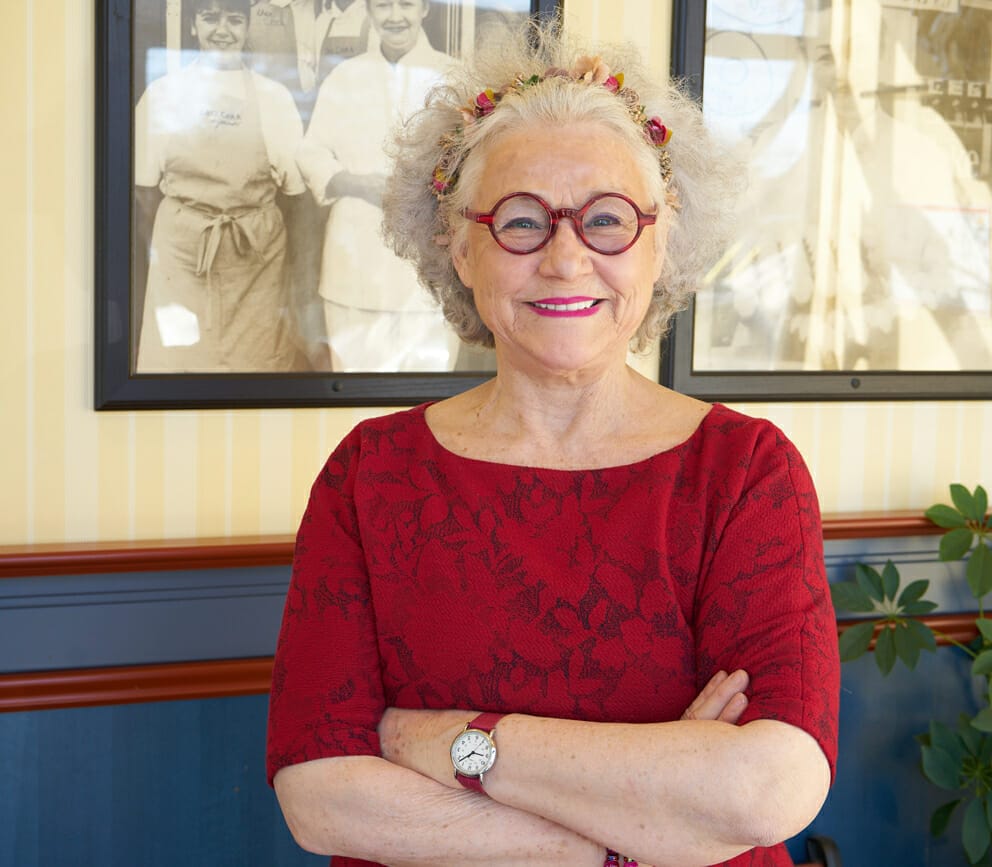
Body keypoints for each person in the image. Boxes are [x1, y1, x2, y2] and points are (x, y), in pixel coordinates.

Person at [266, 19, 840, 867]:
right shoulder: (371, 473)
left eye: (607, 219)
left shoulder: (746, 471)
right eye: (521, 221)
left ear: (660, 240)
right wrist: (638, 835)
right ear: (459, 245)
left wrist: (452, 743)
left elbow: (769, 787)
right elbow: (321, 798)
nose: (567, 259)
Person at [133, 0, 307, 372]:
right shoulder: (164, 93)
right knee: (179, 362)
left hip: (256, 260)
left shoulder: (274, 97)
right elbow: (144, 189)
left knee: (256, 364)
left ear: (247, 27)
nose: (222, 30)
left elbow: (295, 194)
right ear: (194, 25)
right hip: (182, 258)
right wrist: (172, 245)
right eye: (210, 18)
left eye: (234, 20)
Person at [296, 0, 460, 371]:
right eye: (383, 5)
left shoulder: (452, 75)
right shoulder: (345, 76)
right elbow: (311, 152)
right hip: (354, 264)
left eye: (406, 4)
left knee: (427, 396)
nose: (395, 16)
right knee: (356, 391)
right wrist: (356, 183)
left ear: (424, 9)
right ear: (369, 12)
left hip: (428, 271)